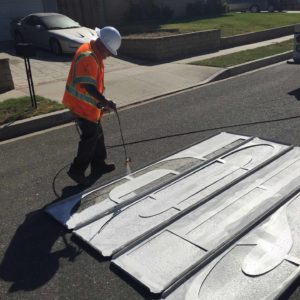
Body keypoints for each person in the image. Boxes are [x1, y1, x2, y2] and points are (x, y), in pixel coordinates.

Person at [62, 26, 122, 185]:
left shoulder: (93, 51)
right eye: (109, 51)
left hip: (89, 106)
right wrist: (105, 102)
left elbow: (92, 85)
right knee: (89, 139)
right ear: (102, 44)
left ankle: (99, 165)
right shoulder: (89, 56)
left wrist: (102, 103)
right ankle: (77, 170)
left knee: (98, 134)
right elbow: (88, 87)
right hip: (81, 106)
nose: (109, 55)